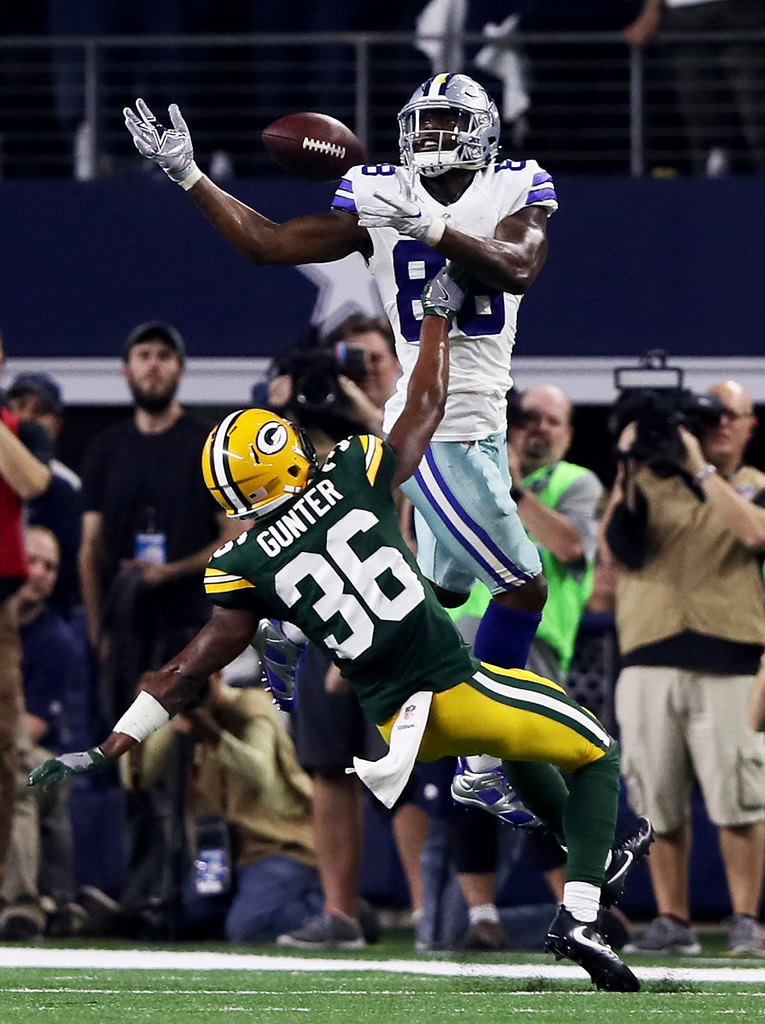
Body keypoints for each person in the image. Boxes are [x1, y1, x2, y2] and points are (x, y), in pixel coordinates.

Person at [31, 269, 650, 992]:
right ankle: (578, 914)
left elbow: (185, 668)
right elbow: (423, 405)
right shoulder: (352, 470)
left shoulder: (240, 562)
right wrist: (437, 320)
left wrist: (107, 747)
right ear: (288, 452)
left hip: (394, 723)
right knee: (597, 754)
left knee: (518, 749)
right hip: (451, 685)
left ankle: (591, 854)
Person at [123, 71, 557, 828]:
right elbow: (269, 244)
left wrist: (425, 226)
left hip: (484, 421)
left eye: (446, 124)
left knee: (443, 596)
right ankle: (483, 762)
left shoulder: (514, 186)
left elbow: (515, 263)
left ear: (483, 132)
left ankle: (289, 624)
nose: (428, 138)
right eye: (421, 123)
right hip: (435, 427)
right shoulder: (378, 196)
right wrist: (190, 176)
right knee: (523, 587)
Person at [266, 312, 424, 949]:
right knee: (328, 767)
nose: (356, 376)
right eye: (345, 364)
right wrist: (283, 417)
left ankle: (426, 911)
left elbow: (412, 486)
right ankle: (340, 914)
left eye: (371, 362)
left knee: (412, 768)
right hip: (319, 623)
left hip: (394, 622)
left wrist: (364, 409)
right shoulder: (302, 446)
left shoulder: (413, 424)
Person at [77, 319, 238, 937]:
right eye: (142, 355)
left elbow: (232, 538)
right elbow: (90, 550)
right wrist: (100, 630)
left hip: (189, 633)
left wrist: (168, 571)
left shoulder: (204, 445)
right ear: (126, 369)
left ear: (179, 369)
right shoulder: (105, 449)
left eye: (163, 356)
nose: (152, 365)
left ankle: (191, 897)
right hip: (126, 632)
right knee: (130, 765)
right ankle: (143, 894)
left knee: (188, 763)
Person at [602, 379, 765, 957]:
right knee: (657, 800)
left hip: (730, 660)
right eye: (709, 414)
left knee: (739, 799)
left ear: (750, 425)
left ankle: (745, 917)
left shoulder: (755, 487)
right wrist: (626, 464)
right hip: (648, 657)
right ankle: (673, 918)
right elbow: (616, 549)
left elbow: (754, 532)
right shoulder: (646, 484)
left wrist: (699, 471)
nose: (719, 422)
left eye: (731, 415)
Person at [447, 383, 606, 949]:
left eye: (552, 420)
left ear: (568, 432)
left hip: (533, 649)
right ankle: (480, 917)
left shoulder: (576, 483)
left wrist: (510, 489)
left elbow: (569, 548)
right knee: (471, 778)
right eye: (529, 416)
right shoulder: (465, 472)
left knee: (538, 778)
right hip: (462, 644)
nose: (538, 427)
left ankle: (582, 907)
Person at [135, 666, 324, 944]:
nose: (192, 695)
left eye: (196, 684)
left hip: (278, 845)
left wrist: (213, 735)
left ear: (218, 677)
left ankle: (328, 906)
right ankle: (258, 901)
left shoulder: (251, 706)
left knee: (247, 928)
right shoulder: (178, 718)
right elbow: (141, 778)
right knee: (190, 919)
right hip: (221, 852)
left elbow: (260, 773)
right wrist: (155, 717)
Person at [0, 525, 117, 940]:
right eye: (31, 560)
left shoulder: (57, 642)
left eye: (50, 566)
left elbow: (31, 727)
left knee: (21, 775)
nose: (40, 572)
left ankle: (21, 906)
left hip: (27, 746)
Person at [0, 332, 52, 914]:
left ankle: (16, 899)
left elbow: (32, 482)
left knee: (9, 752)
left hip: (1, 608)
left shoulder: (21, 429)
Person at [624, 0, 765, 174]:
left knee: (757, 116)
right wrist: (650, 11)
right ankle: (710, 190)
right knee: (703, 124)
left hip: (744, 13)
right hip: (686, 16)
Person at [7, 371, 83, 619]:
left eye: (38, 412)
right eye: (17, 407)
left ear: (56, 424)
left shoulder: (67, 487)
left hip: (51, 612)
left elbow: (74, 567)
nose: (26, 418)